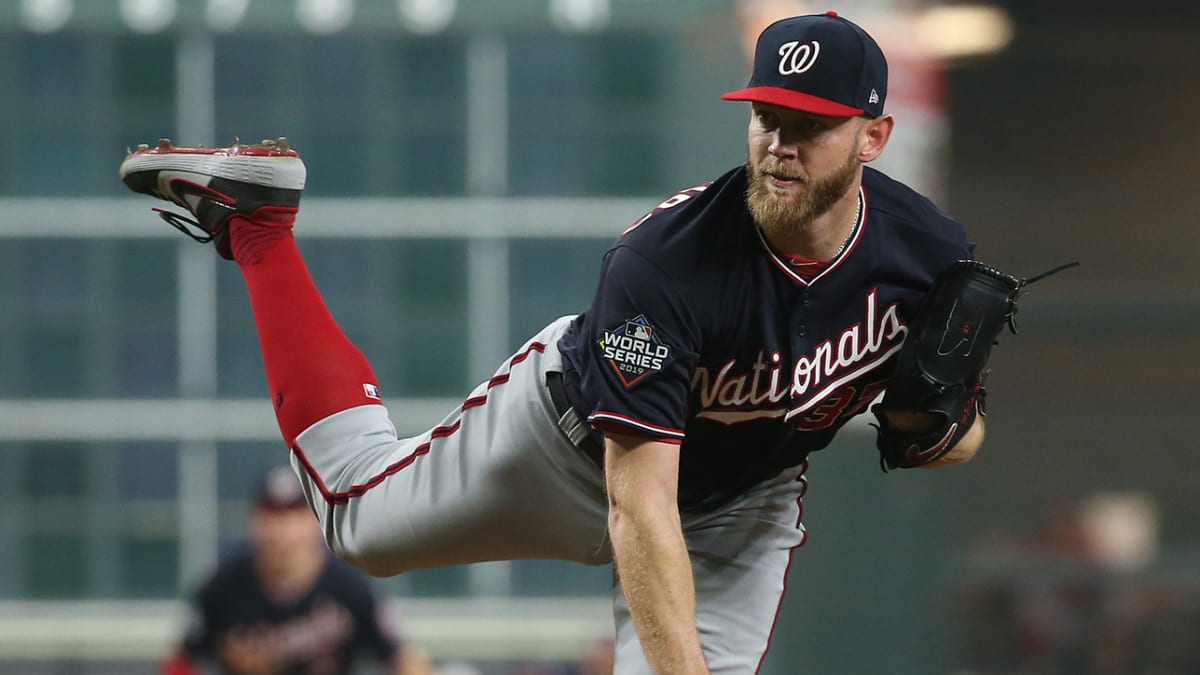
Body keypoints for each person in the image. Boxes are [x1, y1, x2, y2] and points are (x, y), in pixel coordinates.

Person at [123, 12, 985, 674]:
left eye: (811, 125)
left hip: (740, 505)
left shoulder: (927, 255)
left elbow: (955, 435)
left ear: (874, 137)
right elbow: (638, 504)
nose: (778, 144)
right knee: (357, 525)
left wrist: (937, 422)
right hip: (571, 448)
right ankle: (262, 227)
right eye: (766, 115)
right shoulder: (664, 265)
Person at [160, 466, 433, 675]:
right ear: (255, 520)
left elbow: (406, 658)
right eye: (273, 515)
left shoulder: (349, 587)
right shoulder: (221, 589)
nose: (284, 530)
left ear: (314, 521)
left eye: (294, 515)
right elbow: (180, 662)